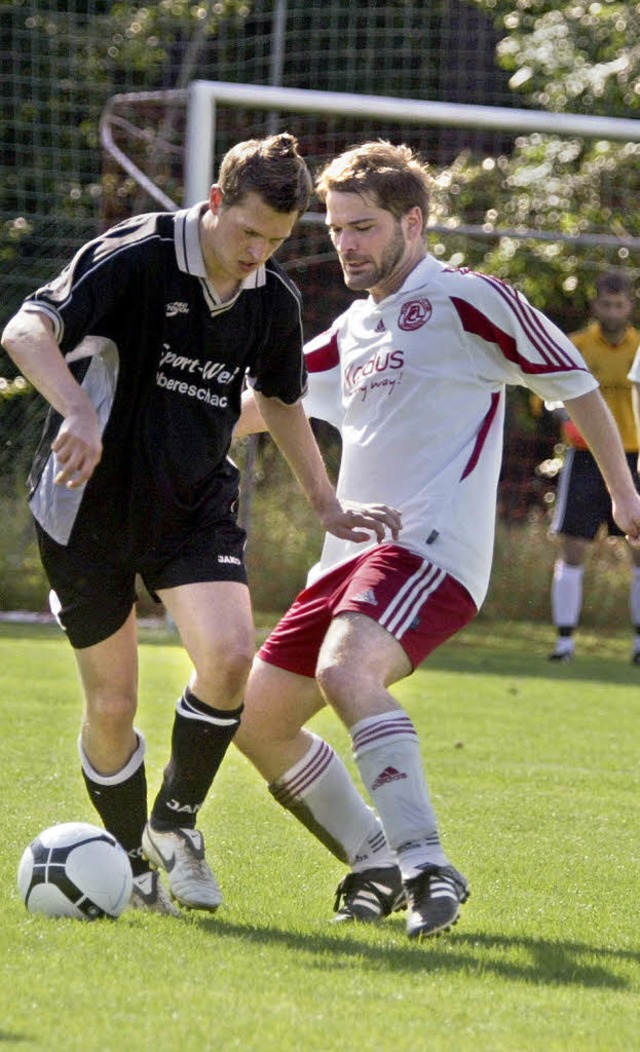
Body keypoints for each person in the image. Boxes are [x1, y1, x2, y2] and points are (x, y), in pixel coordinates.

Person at [232, 141, 640, 940]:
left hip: (431, 548)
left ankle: (426, 862)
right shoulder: (352, 325)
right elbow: (264, 402)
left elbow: (575, 379)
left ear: (412, 223)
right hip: (347, 558)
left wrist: (625, 491)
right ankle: (373, 860)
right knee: (258, 720)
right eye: (338, 227)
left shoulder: (468, 299)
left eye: (364, 227)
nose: (347, 243)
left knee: (348, 671)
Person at [1, 133, 400, 917]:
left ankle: (175, 827)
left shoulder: (271, 300)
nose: (258, 254)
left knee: (228, 659)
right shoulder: (137, 256)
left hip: (192, 506)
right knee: (112, 707)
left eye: (278, 242)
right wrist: (76, 410)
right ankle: (127, 860)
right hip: (86, 509)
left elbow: (283, 400)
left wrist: (326, 501)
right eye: (248, 233)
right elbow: (23, 330)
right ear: (216, 203)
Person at [547, 271, 640, 663]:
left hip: (635, 456)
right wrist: (567, 420)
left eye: (620, 305)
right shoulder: (576, 347)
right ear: (595, 306)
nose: (613, 312)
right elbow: (550, 398)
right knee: (573, 547)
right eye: (606, 304)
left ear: (630, 306)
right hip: (585, 459)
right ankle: (565, 643)